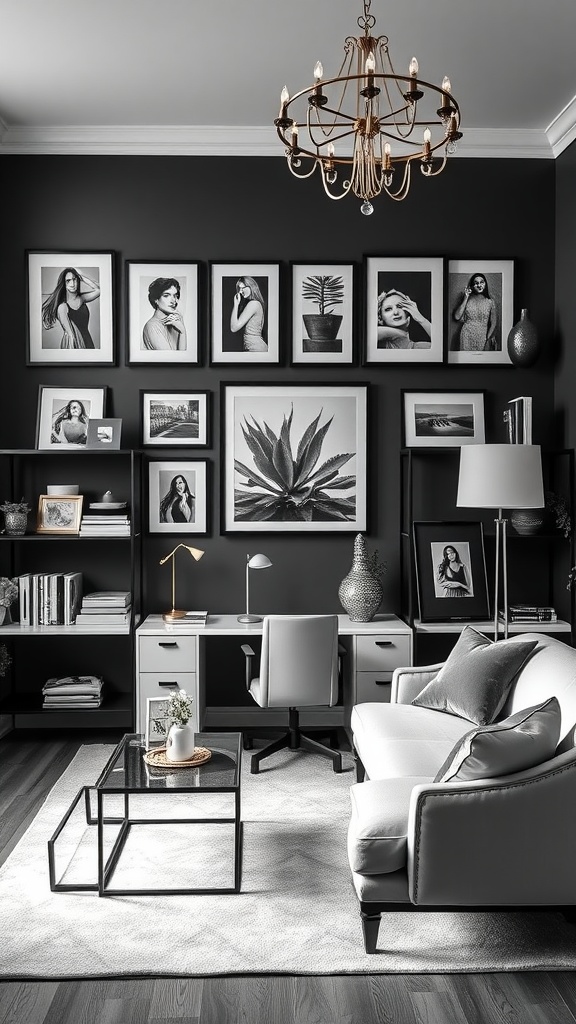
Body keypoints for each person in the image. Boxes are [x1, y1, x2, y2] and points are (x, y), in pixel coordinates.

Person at [41, 268, 100, 349]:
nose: (72, 284)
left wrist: (81, 277)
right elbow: (70, 337)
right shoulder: (62, 307)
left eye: (74, 279)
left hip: (88, 343)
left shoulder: (82, 299)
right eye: (68, 281)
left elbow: (99, 290)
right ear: (64, 284)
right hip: (75, 346)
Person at [452, 272, 498, 351]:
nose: (479, 285)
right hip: (466, 335)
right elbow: (457, 317)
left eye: (482, 282)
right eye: (476, 283)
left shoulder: (490, 302)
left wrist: (487, 338)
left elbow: (493, 323)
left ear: (485, 284)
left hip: (482, 336)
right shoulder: (468, 299)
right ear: (472, 286)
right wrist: (466, 297)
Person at [143, 278, 187, 351]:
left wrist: (182, 331)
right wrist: (182, 333)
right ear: (156, 299)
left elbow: (184, 358)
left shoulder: (177, 319)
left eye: (175, 295)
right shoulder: (152, 326)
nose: (174, 300)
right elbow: (172, 359)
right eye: (166, 295)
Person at [230, 277, 267, 352]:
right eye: (239, 288)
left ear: (251, 287)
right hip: (255, 347)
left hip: (256, 348)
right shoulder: (256, 303)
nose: (240, 291)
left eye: (243, 288)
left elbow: (234, 328)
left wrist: (236, 304)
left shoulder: (253, 304)